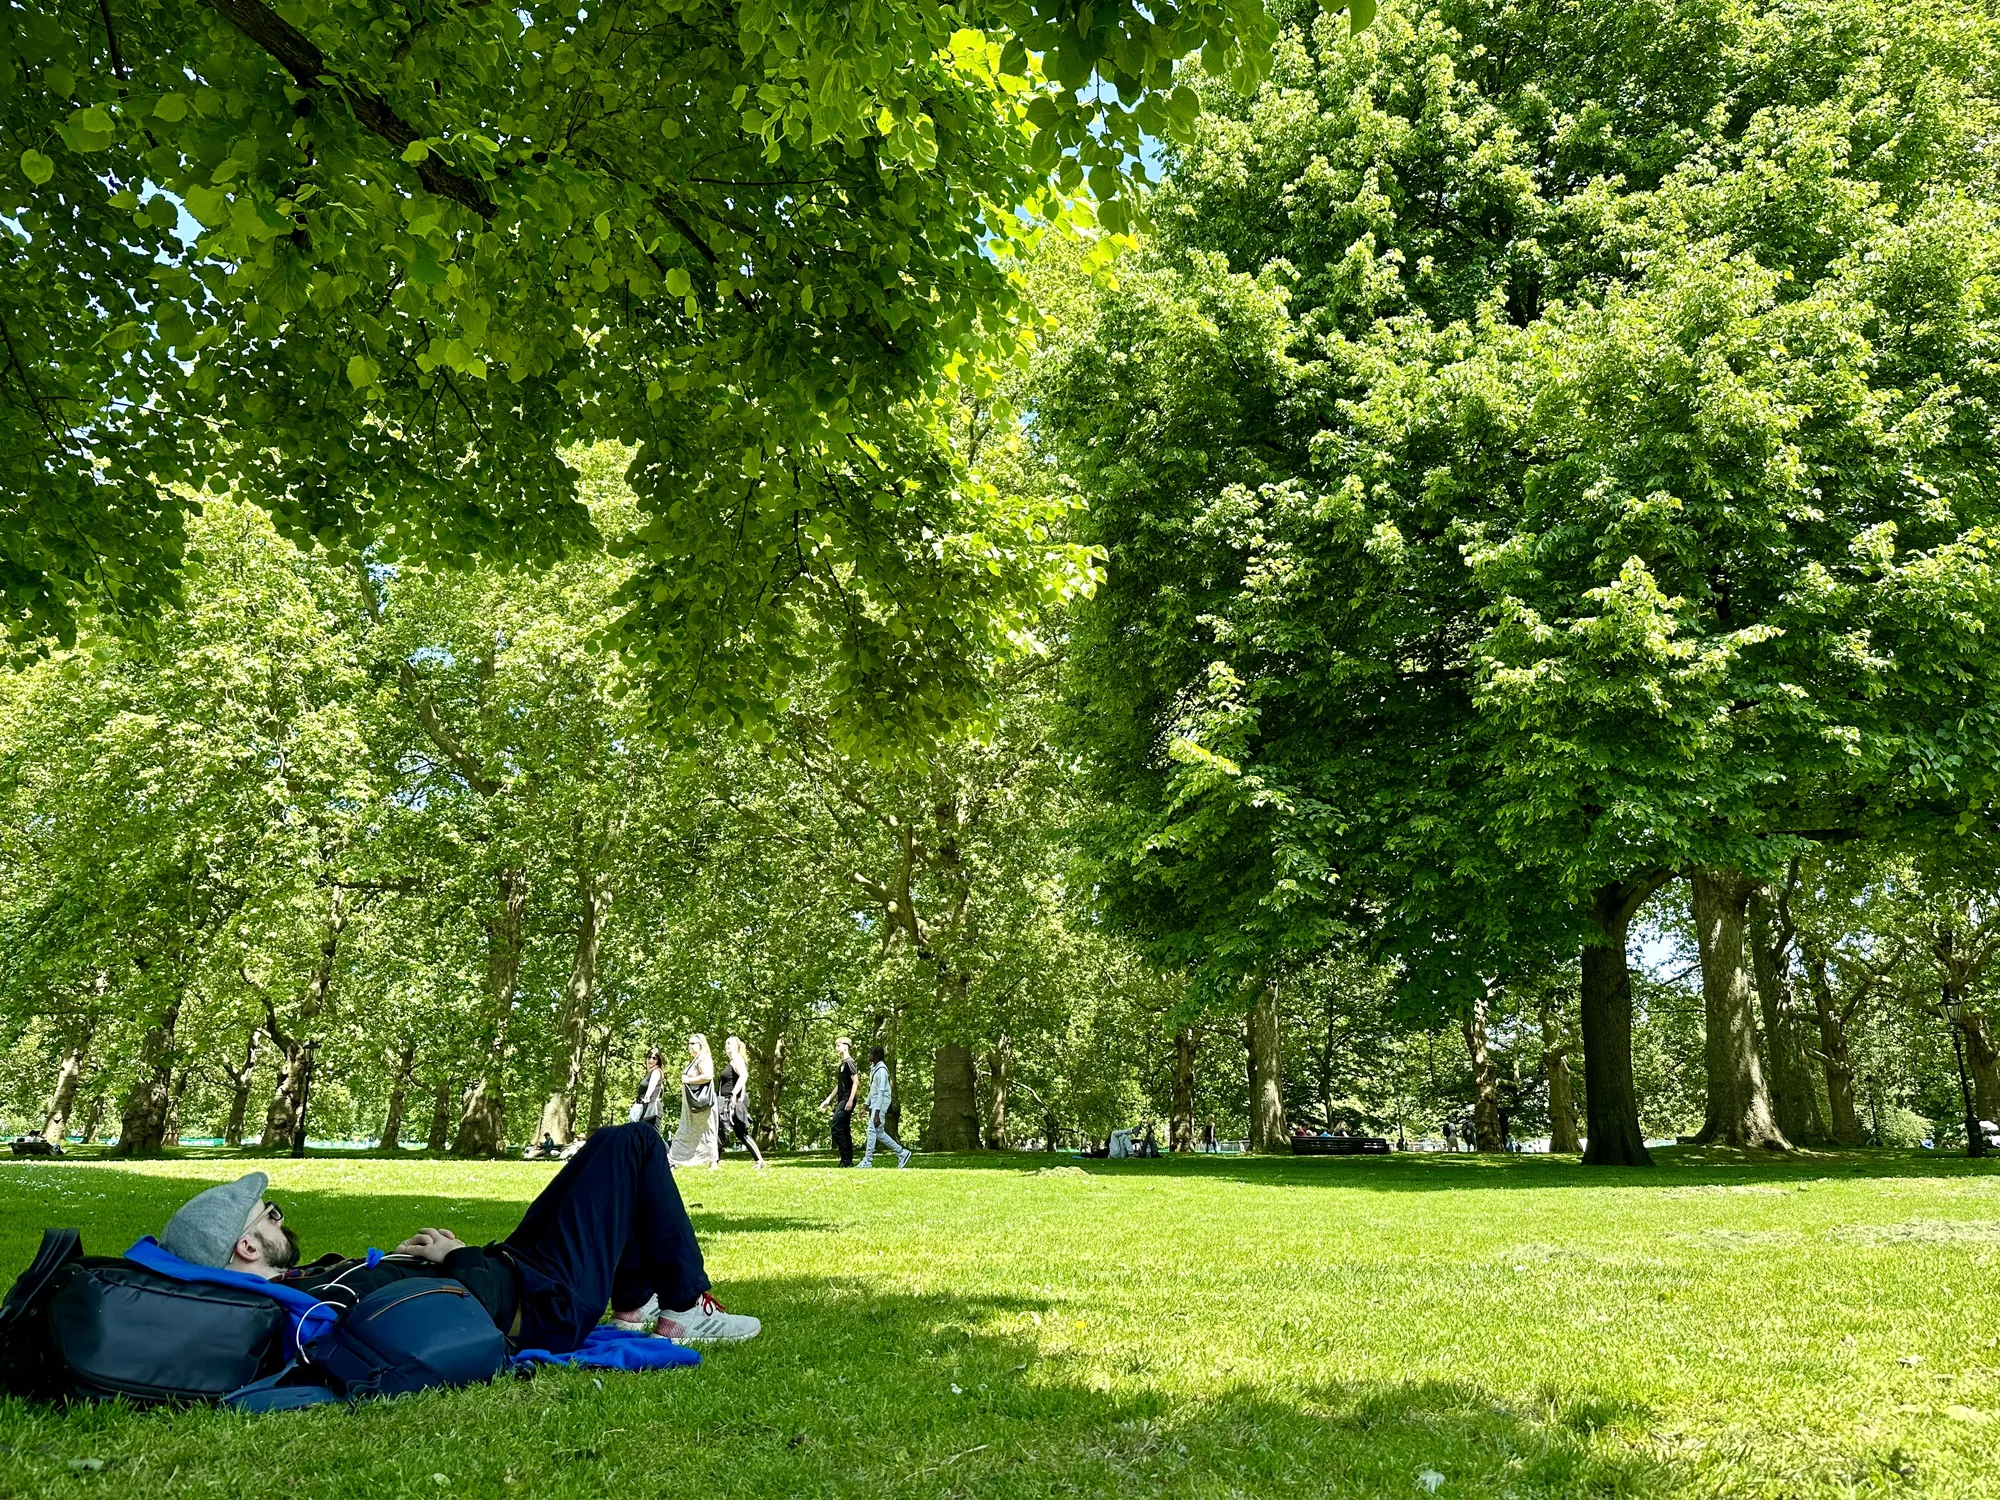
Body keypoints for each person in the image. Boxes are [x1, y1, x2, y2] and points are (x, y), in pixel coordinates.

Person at [155, 1127, 759, 1346]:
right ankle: (683, 1306)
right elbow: (450, 1318)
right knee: (633, 1145)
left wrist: (422, 1257)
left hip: (517, 1266)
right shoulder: (317, 1305)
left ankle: (632, 1306)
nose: (280, 1220)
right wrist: (457, 1256)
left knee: (608, 1155)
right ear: (247, 1248)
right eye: (269, 1216)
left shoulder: (303, 1286)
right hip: (542, 1298)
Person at [668, 1034, 719, 1168]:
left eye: (693, 1043)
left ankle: (673, 1160)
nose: (690, 1046)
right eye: (689, 1043)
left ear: (701, 1044)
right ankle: (676, 1160)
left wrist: (688, 1080)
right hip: (692, 1105)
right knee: (697, 1130)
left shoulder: (703, 1058)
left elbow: (708, 1075)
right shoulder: (696, 1059)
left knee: (702, 1130)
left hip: (700, 1104)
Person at [716, 1036, 766, 1169]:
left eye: (729, 1043)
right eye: (726, 1043)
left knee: (741, 1133)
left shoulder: (737, 1058)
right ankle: (715, 1161)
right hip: (725, 1101)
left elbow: (744, 1075)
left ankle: (760, 1160)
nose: (726, 1045)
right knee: (721, 1129)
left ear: (736, 1046)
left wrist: (734, 1095)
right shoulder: (732, 1060)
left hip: (731, 1102)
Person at [857, 1045, 910, 1168]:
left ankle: (867, 1161)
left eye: (870, 1054)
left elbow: (881, 1092)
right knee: (879, 1133)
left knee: (871, 1130)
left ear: (876, 1056)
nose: (868, 1056)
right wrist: (865, 1105)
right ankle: (902, 1152)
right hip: (876, 1102)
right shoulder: (874, 1068)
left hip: (881, 1103)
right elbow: (873, 1090)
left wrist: (876, 1113)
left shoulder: (881, 1070)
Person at [818, 1037, 861, 1167]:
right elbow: (839, 1085)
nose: (836, 1048)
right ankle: (847, 1161)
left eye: (838, 1045)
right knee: (844, 1129)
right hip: (842, 1099)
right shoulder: (842, 1064)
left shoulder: (849, 1062)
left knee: (836, 1127)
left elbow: (856, 1082)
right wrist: (828, 1100)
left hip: (847, 1099)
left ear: (846, 1046)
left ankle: (845, 1158)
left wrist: (850, 1100)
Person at [632, 1048, 666, 1132]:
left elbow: (650, 1089)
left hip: (651, 1109)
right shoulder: (649, 1072)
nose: (651, 1060)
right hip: (647, 1107)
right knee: (644, 1137)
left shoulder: (656, 1072)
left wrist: (645, 1100)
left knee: (654, 1137)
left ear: (658, 1060)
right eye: (649, 1057)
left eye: (654, 1058)